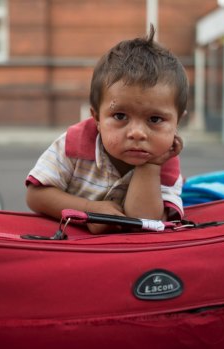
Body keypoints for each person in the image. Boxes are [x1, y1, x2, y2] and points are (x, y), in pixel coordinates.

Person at [25, 26, 186, 234]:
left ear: (177, 124)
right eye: (120, 116)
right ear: (97, 118)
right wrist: (89, 210)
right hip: (68, 250)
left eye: (155, 119)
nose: (137, 132)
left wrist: (151, 166)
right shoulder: (75, 143)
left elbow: (144, 223)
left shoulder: (166, 161)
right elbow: (35, 195)